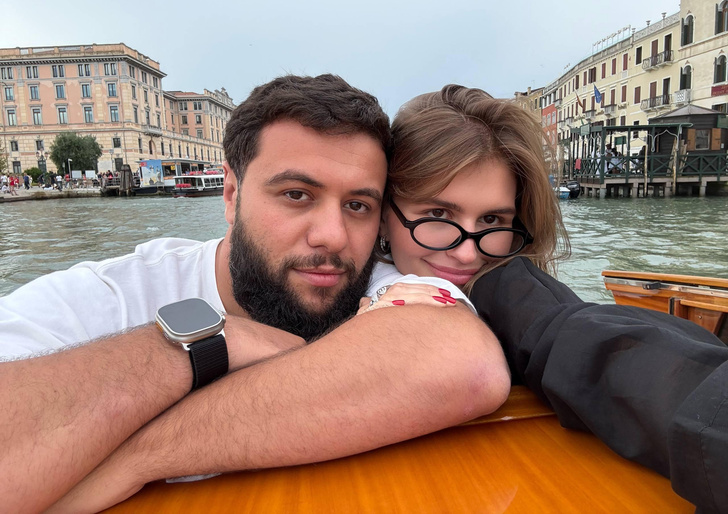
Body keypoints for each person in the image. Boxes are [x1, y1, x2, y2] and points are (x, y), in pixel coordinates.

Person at [0, 74, 510, 513]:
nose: (332, 237)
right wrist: (203, 346)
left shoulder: (379, 283)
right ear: (231, 194)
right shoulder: (110, 294)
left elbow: (465, 363)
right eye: (296, 195)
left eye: (358, 205)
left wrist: (138, 455)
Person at [355, 85, 728, 513]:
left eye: (492, 219)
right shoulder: (339, 278)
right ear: (384, 212)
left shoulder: (505, 284)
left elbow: (573, 338)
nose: (468, 254)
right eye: (438, 214)